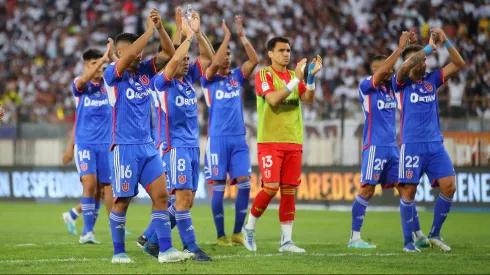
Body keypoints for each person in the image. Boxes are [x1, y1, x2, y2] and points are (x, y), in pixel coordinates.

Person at [103, 9, 192, 263]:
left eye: (140, 49)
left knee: (162, 196)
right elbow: (132, 52)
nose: (139, 53)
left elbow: (168, 53)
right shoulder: (112, 74)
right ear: (121, 53)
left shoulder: (144, 71)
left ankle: (165, 250)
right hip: (124, 147)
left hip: (148, 146)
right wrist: (148, 32)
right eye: (134, 49)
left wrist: (160, 28)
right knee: (123, 201)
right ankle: (118, 253)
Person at [349, 31, 429, 249]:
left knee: (406, 189)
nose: (391, 69)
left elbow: (405, 71)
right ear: (376, 70)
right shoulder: (366, 87)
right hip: (374, 147)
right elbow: (386, 68)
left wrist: (413, 52)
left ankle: (418, 234)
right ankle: (354, 238)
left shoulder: (392, 88)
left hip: (393, 149)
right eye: (386, 67)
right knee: (367, 190)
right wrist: (399, 48)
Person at [241, 36, 322, 252]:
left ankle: (286, 241)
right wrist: (296, 79)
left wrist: (311, 79)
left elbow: (308, 99)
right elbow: (273, 100)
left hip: (293, 139)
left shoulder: (294, 76)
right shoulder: (264, 74)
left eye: (288, 50)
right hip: (270, 141)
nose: (286, 54)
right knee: (271, 187)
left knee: (289, 191)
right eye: (281, 50)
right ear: (270, 53)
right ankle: (248, 228)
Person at [393, 28, 465, 252]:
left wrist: (445, 41)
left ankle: (434, 234)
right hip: (411, 145)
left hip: (435, 145)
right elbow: (404, 67)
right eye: (421, 60)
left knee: (449, 186)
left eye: (426, 60)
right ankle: (408, 243)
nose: (425, 64)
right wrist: (427, 48)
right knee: (409, 192)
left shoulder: (432, 80)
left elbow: (459, 64)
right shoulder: (401, 83)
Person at [153, 11, 214, 261]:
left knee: (185, 202)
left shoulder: (189, 80)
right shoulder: (161, 82)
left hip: (191, 146)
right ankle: (191, 246)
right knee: (183, 197)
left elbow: (209, 57)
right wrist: (185, 36)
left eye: (188, 59)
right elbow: (175, 54)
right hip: (173, 146)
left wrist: (198, 34)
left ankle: (150, 239)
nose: (187, 61)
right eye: (183, 58)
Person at [202, 16, 259, 247]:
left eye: (228, 55)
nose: (226, 59)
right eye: (222, 55)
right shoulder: (209, 79)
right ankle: (220, 235)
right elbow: (213, 64)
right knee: (219, 188)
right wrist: (226, 37)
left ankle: (237, 232)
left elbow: (254, 60)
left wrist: (241, 35)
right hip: (217, 140)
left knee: (245, 182)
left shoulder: (237, 76)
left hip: (238, 139)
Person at [61, 39, 120, 238]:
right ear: (86, 66)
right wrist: (70, 147)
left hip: (107, 146)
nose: (100, 69)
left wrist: (110, 59)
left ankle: (113, 227)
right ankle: (87, 232)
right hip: (85, 144)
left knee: (106, 190)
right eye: (95, 65)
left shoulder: (108, 86)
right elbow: (77, 120)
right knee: (89, 185)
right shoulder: (80, 86)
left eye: (102, 66)